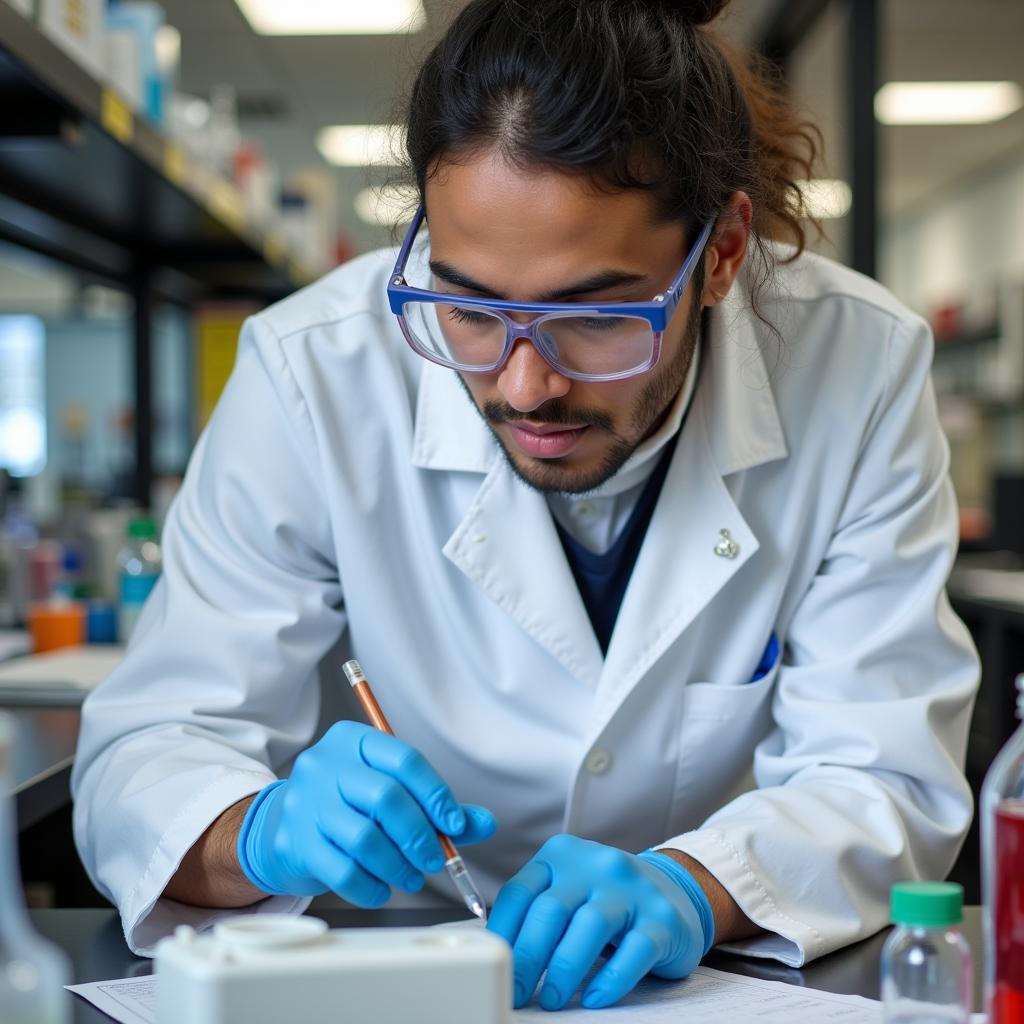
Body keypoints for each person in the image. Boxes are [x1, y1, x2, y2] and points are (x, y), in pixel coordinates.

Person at [72, 0, 980, 1011]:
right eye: (466, 307)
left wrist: (698, 883)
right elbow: (144, 756)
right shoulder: (311, 371)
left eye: (593, 318)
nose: (522, 385)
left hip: (698, 981)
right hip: (389, 978)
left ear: (721, 251)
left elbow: (885, 771)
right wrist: (259, 829)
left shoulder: (859, 363)